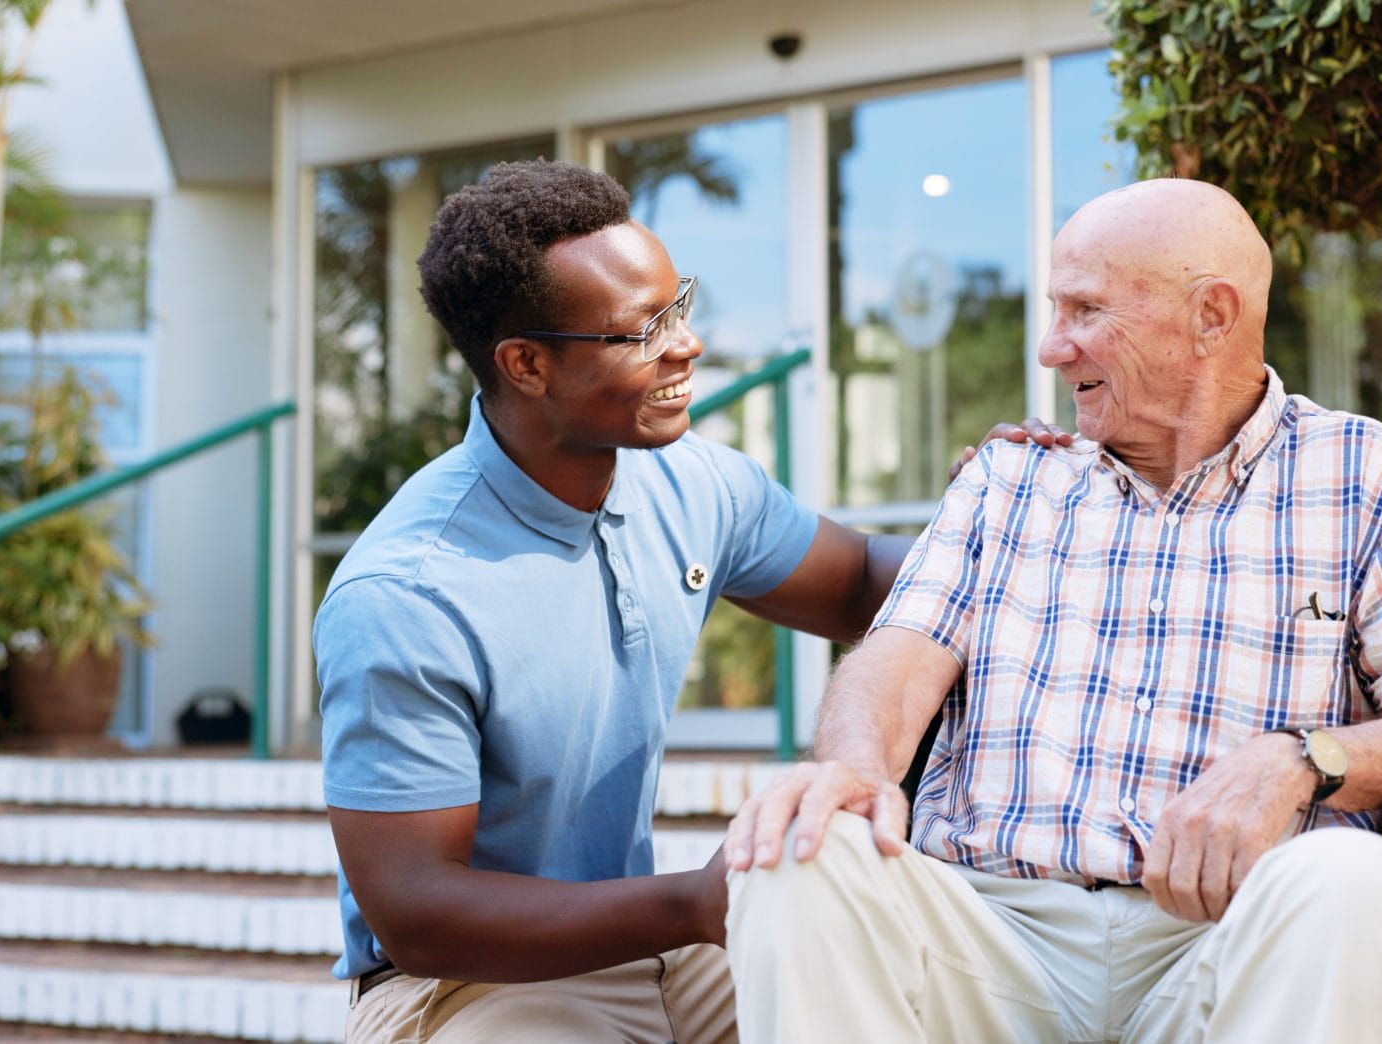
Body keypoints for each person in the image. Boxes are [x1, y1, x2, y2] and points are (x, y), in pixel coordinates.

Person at [722, 178, 1382, 1044]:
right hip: (988, 934)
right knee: (802, 847)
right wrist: (854, 768)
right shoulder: (1008, 479)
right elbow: (894, 661)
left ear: (1212, 316)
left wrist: (1304, 758)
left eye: (1086, 310)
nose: (1049, 347)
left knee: (1358, 881)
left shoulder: (1366, 477)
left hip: (1231, 938)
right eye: (1054, 310)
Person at [314, 159, 1065, 1043]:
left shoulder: (688, 480)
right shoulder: (407, 595)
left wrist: (996, 523)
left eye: (680, 306)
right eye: (644, 330)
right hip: (463, 985)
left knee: (918, 995)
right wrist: (693, 902)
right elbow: (418, 911)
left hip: (656, 949)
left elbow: (862, 582)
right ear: (527, 364)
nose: (687, 345)